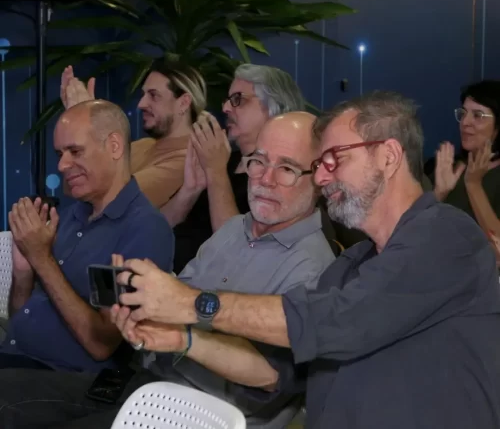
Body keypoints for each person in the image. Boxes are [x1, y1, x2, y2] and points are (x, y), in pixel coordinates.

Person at [117, 92, 500, 429]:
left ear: (388, 156)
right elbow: (275, 371)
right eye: (319, 165)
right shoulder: (353, 264)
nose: (322, 178)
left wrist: (191, 303)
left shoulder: (447, 234)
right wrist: (182, 339)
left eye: (335, 159)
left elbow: (336, 320)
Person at [0, 112, 334, 429]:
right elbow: (173, 302)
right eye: (258, 161)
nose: (265, 179)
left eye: (287, 169)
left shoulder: (313, 268)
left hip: (194, 412)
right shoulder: (235, 230)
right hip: (141, 382)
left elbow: (271, 376)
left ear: (320, 178)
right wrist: (141, 307)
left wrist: (182, 336)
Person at [2, 100, 173, 372]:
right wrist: (24, 273)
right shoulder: (69, 216)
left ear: (114, 146)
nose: (62, 165)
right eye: (59, 154)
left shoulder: (145, 229)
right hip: (16, 358)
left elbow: (102, 345)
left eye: (75, 151)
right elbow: (19, 319)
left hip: (67, 379)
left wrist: (42, 259)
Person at [162, 63, 307, 273]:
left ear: (274, 109)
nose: (226, 109)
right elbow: (157, 228)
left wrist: (215, 172)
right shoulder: (224, 159)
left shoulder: (278, 178)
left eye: (238, 99)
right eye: (228, 100)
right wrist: (190, 189)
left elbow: (236, 250)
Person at [60, 60, 207, 208]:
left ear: (183, 103)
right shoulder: (143, 145)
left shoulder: (189, 161)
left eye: (154, 95)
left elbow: (116, 201)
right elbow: (73, 186)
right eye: (144, 95)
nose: (141, 104)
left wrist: (86, 125)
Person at [432, 80, 500, 257]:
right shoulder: (449, 167)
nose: (465, 122)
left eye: (478, 115)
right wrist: (438, 194)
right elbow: (414, 232)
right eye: (463, 113)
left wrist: (473, 184)